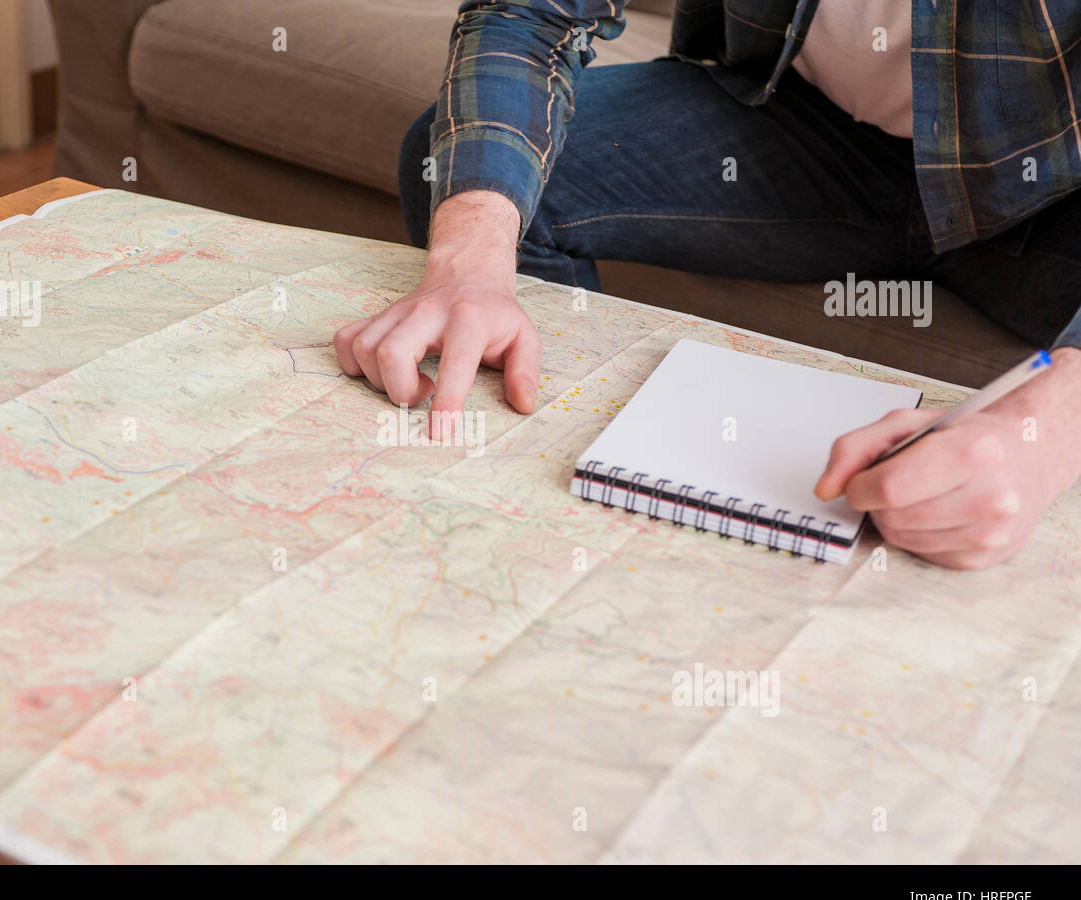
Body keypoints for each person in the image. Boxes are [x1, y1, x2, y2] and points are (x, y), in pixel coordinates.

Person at [333, 0, 1081, 570]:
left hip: (1049, 202)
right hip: (804, 127)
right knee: (465, 179)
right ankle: (557, 549)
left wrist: (1044, 433)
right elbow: (530, 14)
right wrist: (470, 264)